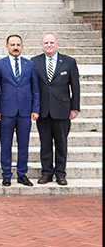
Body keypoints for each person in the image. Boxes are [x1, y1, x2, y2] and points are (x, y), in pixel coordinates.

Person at [32, 33, 80, 186]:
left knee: (61, 143)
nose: (49, 45)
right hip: (43, 111)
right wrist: (34, 108)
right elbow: (33, 87)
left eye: (52, 42)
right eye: (46, 42)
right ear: (41, 45)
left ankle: (60, 173)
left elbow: (75, 87)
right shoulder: (35, 62)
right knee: (45, 143)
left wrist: (75, 108)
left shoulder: (69, 62)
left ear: (57, 44)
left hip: (62, 109)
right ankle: (46, 173)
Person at [0, 35, 40, 187]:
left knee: (23, 143)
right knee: (5, 143)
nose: (15, 47)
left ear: (22, 46)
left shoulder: (30, 64)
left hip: (25, 111)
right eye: (12, 44)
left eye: (18, 44)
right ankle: (6, 174)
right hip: (7, 111)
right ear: (6, 46)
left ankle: (22, 174)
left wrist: (35, 109)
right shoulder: (0, 65)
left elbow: (35, 89)